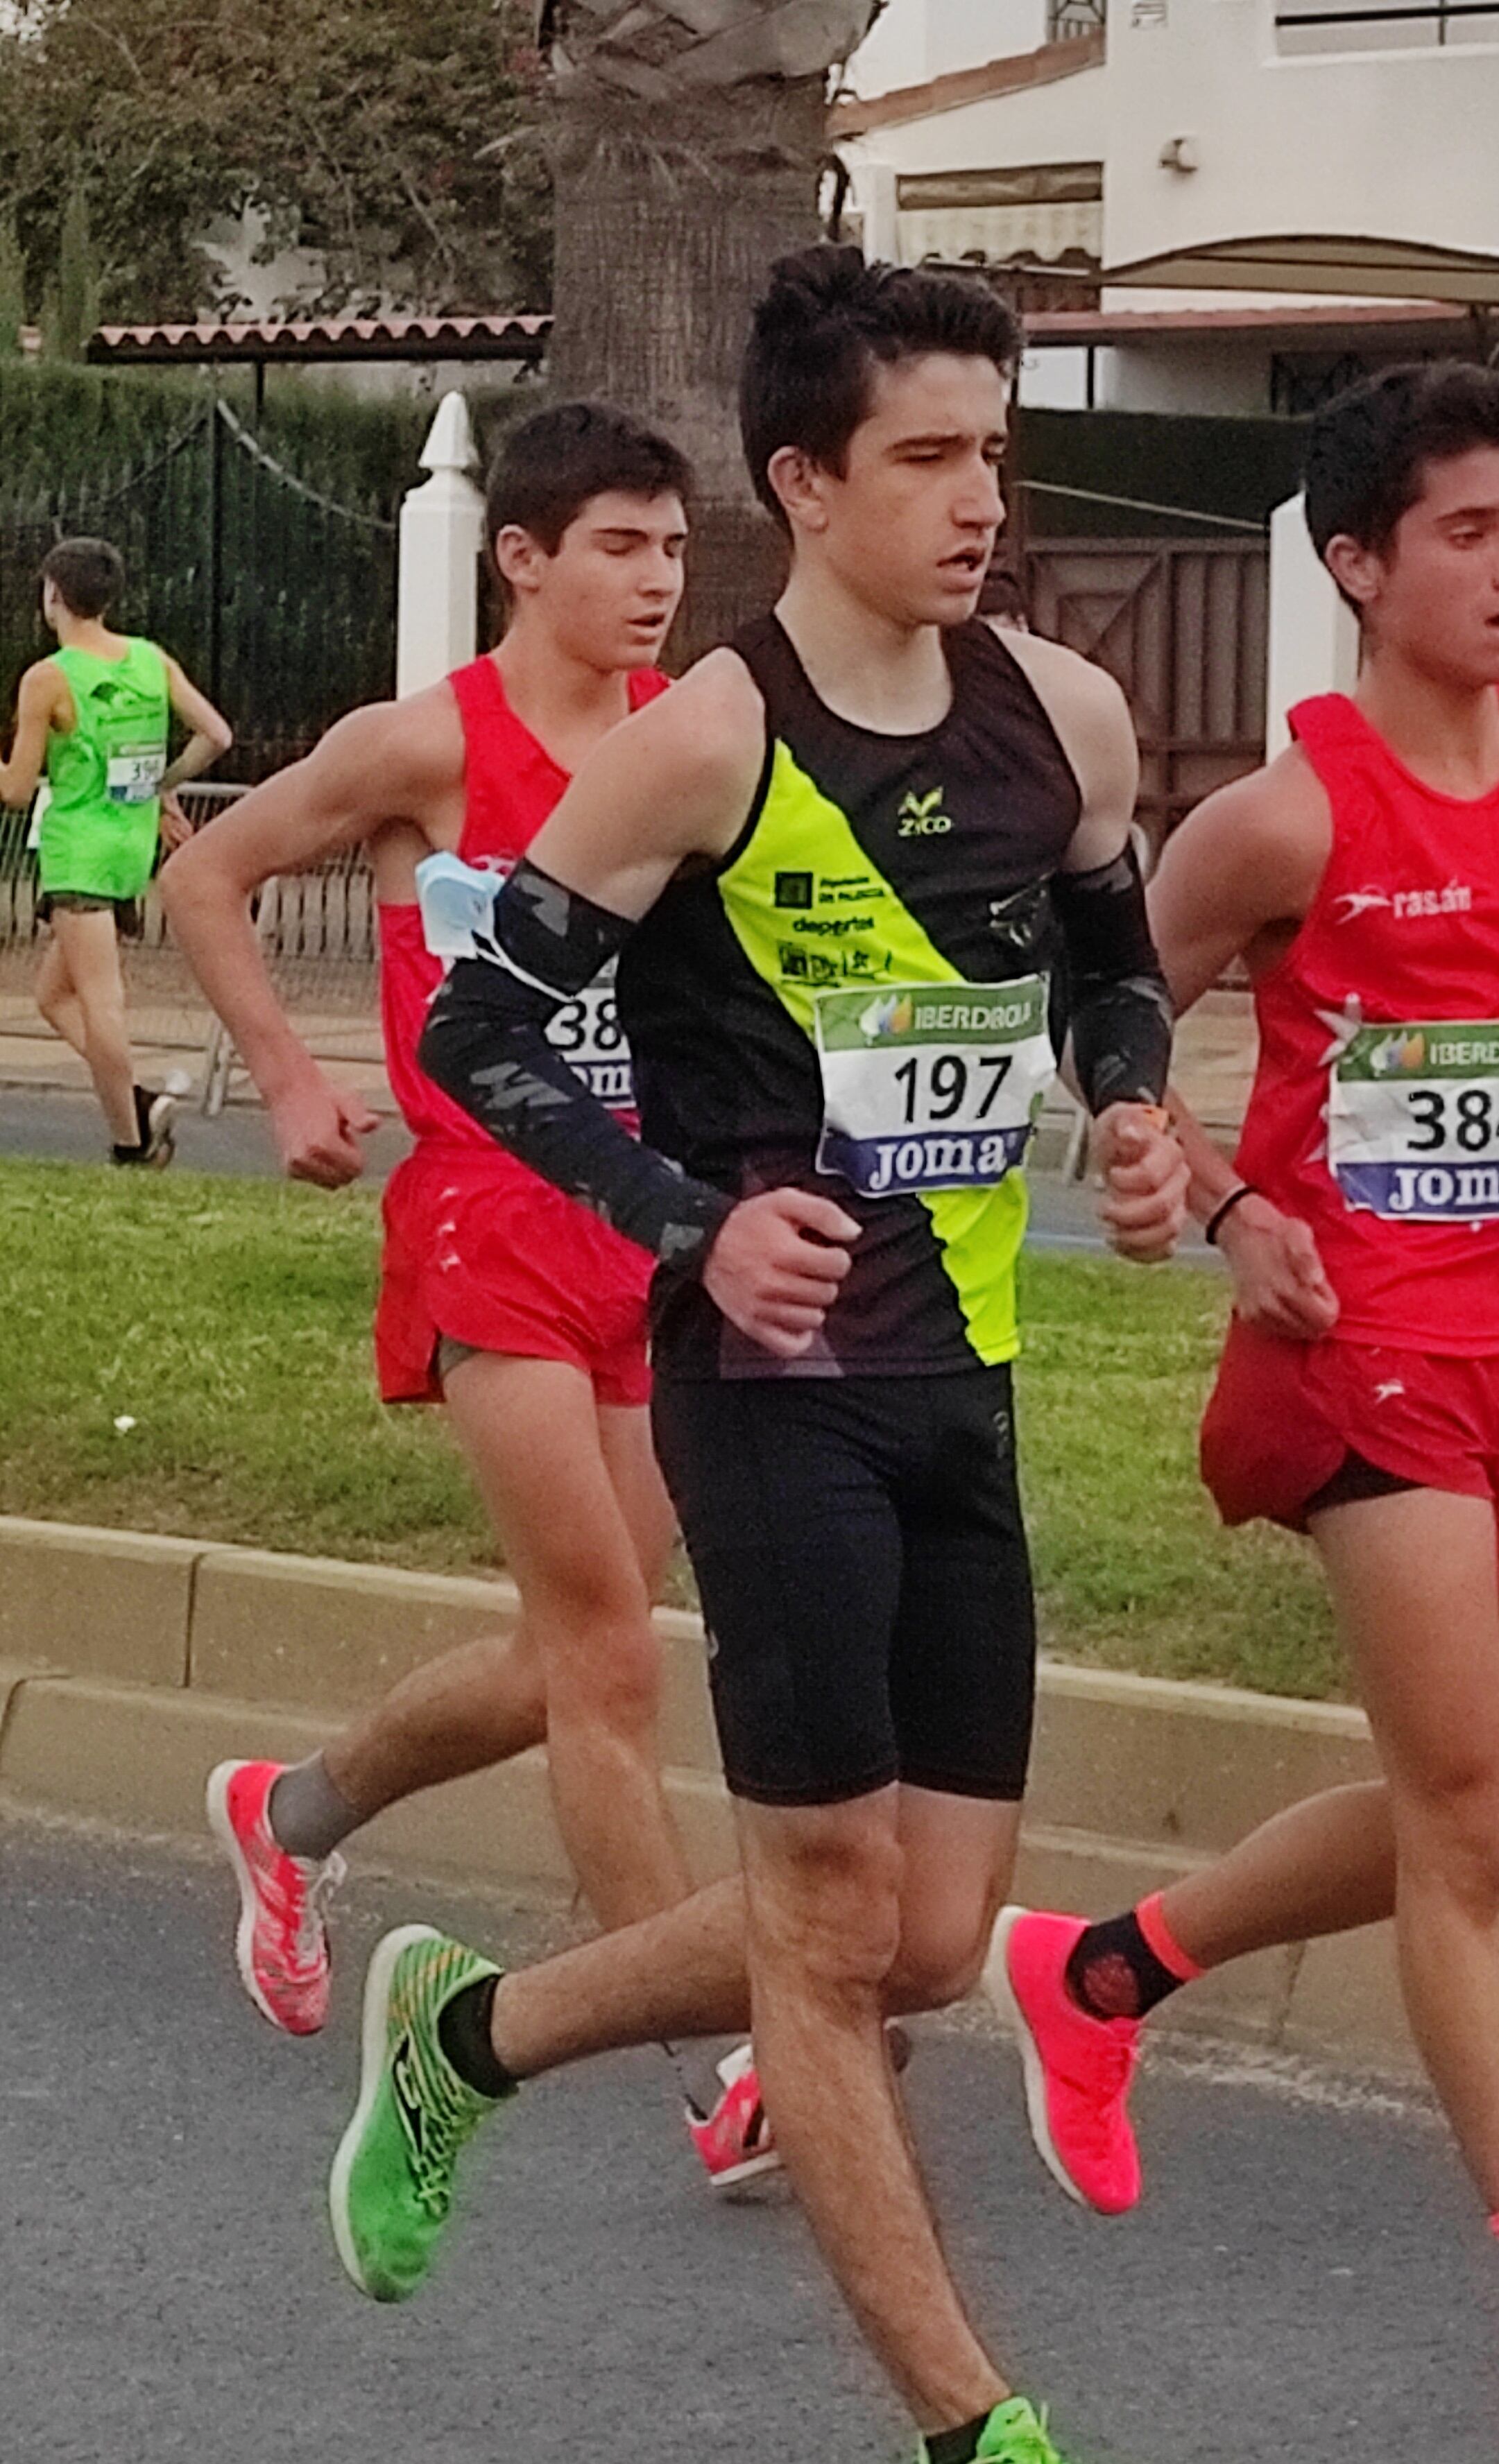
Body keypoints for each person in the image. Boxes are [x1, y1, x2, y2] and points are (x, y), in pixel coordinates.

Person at [336, 250, 1183, 2464]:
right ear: (802, 484)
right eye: (924, 455)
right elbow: (476, 1026)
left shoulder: (1064, 714)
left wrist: (1126, 1093)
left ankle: (472, 2033)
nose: (976, 496)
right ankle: (962, 2416)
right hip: (770, 1387)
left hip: (963, 1379)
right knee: (823, 1920)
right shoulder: (706, 739)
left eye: (993, 449)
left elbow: (1112, 949)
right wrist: (698, 1232)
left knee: (928, 1929)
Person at [981, 363, 1499, 2460]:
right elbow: (1105, 1016)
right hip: (1351, 1356)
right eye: (1463, 528)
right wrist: (1221, 1187)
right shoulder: (1292, 811)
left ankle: (1096, 1972)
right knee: (1460, 1827)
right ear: (1356, 561)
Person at [159, 404, 763, 2183]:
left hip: (649, 1219)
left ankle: (295, 1810)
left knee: (568, 1654)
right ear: (522, 556)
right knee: (604, 1660)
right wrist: (284, 1075)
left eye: (672, 552)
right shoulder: (427, 741)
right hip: (487, 1212)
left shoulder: (694, 745)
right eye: (619, 549)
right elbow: (206, 873)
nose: (657, 584)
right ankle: (712, 2063)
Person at [1, 536, 231, 1165]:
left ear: (53, 594)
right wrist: (163, 786)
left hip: (78, 851)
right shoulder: (149, 660)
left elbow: (18, 790)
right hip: (130, 849)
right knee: (53, 997)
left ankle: (131, 1144)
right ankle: (137, 1099)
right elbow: (215, 733)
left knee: (101, 1002)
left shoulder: (48, 678)